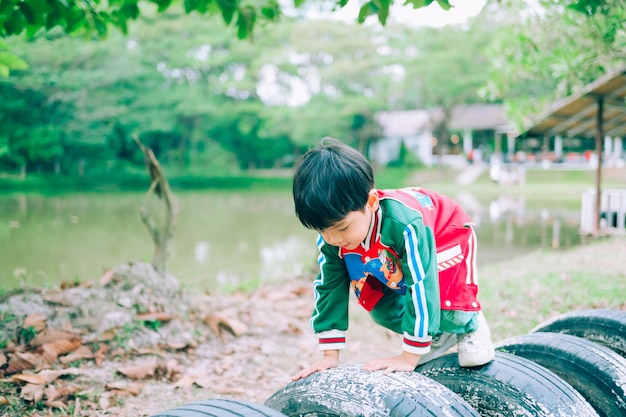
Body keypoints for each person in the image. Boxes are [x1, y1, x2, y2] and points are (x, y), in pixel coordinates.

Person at [291, 137, 495, 381]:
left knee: (444, 300)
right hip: (387, 251)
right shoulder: (333, 239)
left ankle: (470, 323)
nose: (333, 239)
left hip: (444, 233)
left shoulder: (406, 224)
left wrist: (408, 357)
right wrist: (329, 355)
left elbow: (421, 284)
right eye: (322, 231)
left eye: (342, 228)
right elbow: (329, 288)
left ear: (372, 202)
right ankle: (434, 333)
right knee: (379, 307)